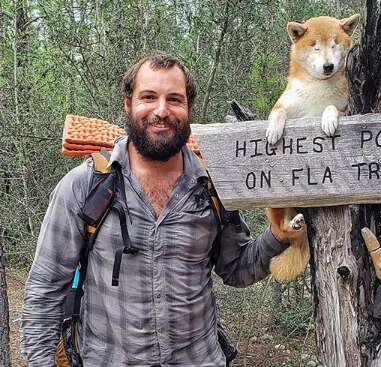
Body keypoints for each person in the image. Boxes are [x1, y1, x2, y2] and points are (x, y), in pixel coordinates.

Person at [20, 50, 299, 367]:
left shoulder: (212, 187)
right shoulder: (84, 186)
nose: (162, 110)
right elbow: (45, 290)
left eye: (175, 100)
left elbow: (235, 268)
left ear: (188, 107)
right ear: (128, 102)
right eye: (149, 97)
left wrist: (277, 236)